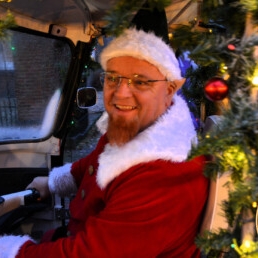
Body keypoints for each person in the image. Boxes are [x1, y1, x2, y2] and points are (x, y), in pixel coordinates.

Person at [0, 11, 209, 258]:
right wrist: (54, 182)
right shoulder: (136, 128)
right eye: (112, 78)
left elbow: (91, 254)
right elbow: (95, 162)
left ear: (171, 88)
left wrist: (12, 252)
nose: (120, 94)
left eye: (140, 82)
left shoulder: (166, 174)